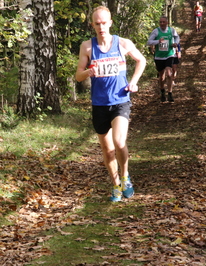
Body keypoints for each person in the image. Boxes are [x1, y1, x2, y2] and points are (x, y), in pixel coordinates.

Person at [75, 6, 146, 202]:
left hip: (120, 101)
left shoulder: (123, 43)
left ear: (110, 23)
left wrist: (134, 82)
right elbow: (78, 75)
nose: (101, 27)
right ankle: (115, 185)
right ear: (92, 25)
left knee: (119, 141)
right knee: (107, 150)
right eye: (97, 24)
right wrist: (89, 72)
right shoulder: (87, 47)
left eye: (104, 23)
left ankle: (125, 177)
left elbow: (141, 60)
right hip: (99, 104)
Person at [147, 16, 180, 102]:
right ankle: (162, 91)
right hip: (159, 56)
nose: (162, 23)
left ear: (167, 22)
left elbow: (177, 37)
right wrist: (158, 41)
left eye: (163, 22)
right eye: (160, 22)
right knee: (161, 76)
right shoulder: (156, 31)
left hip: (169, 54)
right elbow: (149, 42)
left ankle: (170, 93)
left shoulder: (171, 30)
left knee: (169, 74)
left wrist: (175, 43)